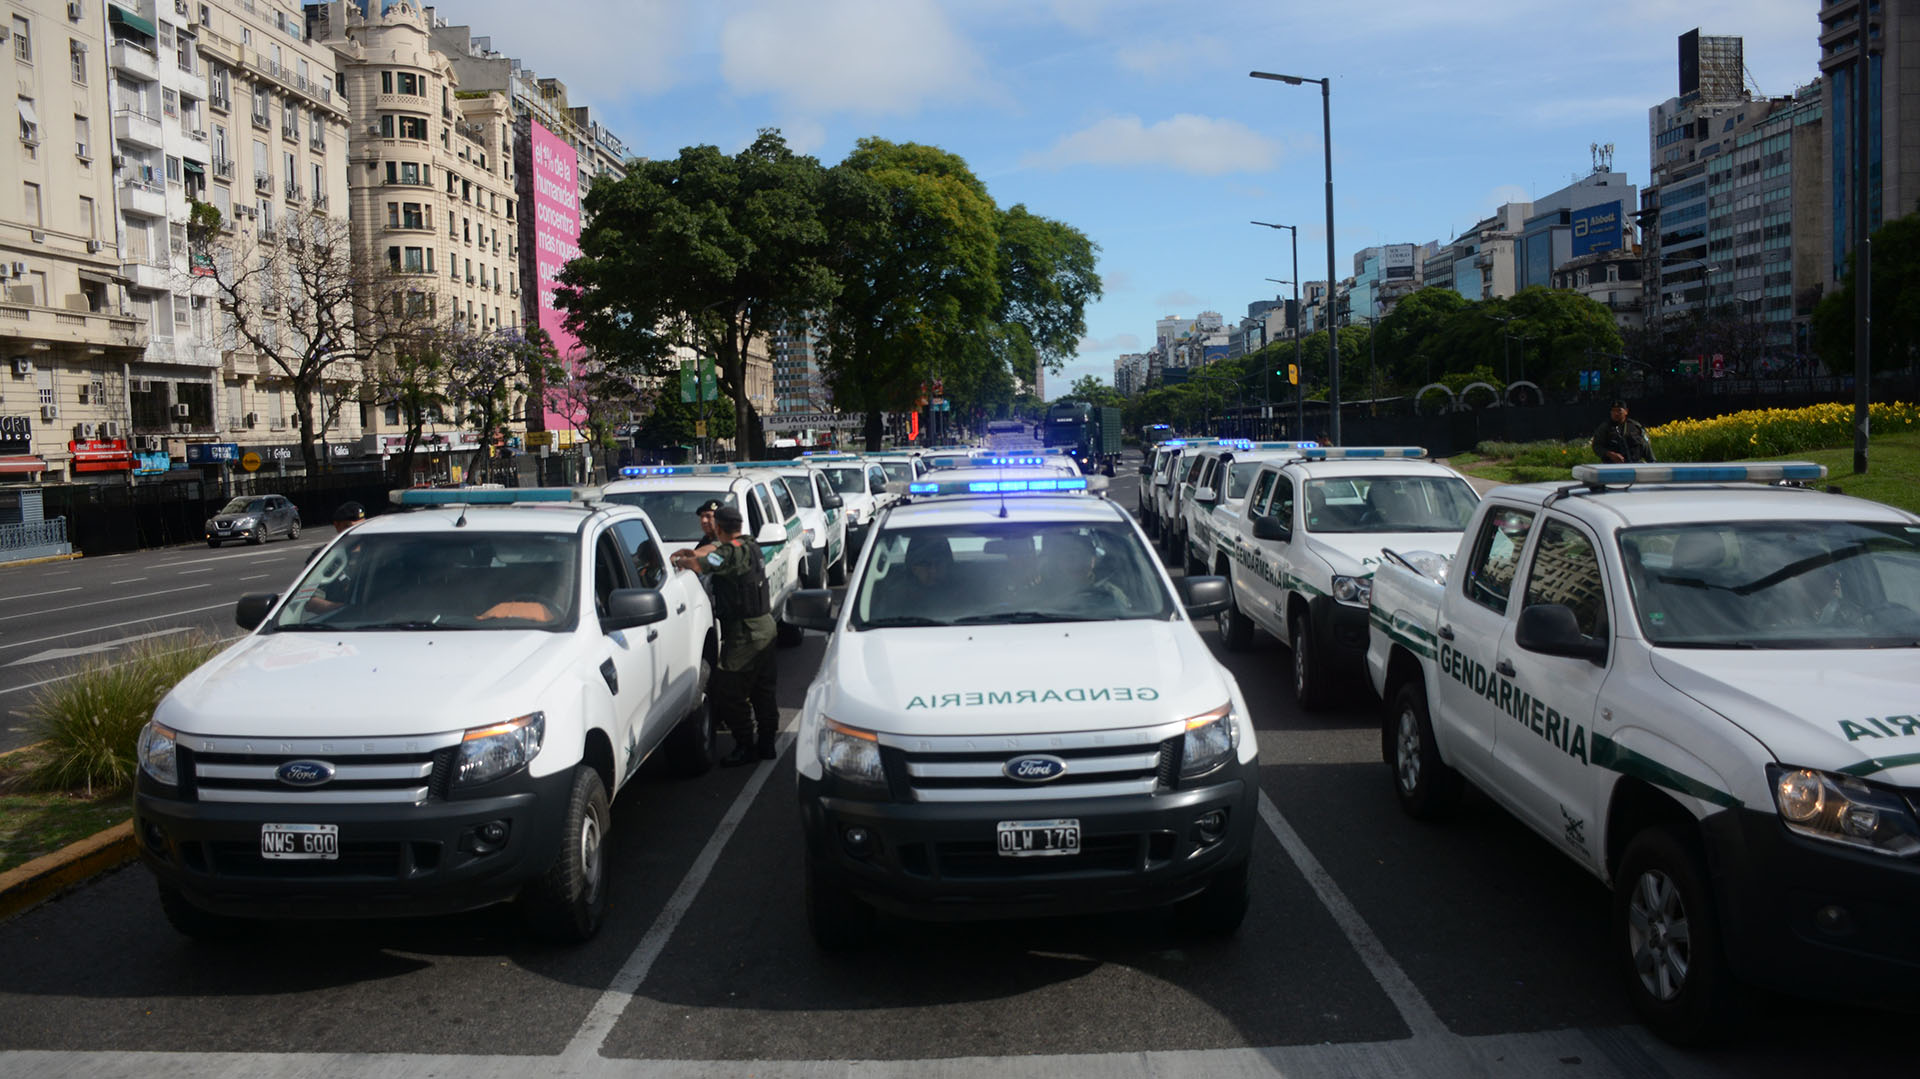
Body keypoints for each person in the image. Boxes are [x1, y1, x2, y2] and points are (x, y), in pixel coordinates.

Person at [672, 504, 778, 766]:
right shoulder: (749, 545)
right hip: (764, 627)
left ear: (718, 528)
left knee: (727, 690)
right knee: (762, 690)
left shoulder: (732, 553)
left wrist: (682, 561)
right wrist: (695, 554)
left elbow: (704, 564)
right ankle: (767, 743)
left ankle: (745, 744)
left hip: (745, 633)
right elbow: (712, 555)